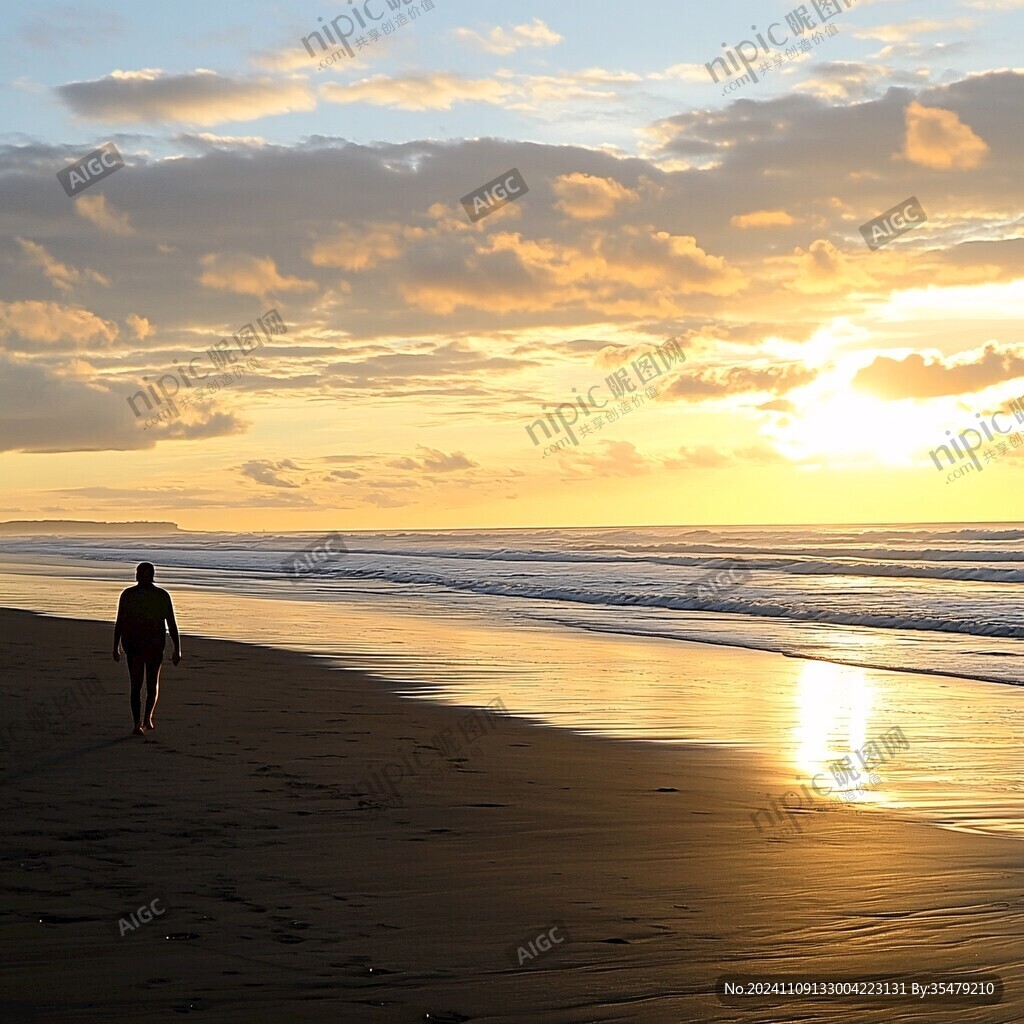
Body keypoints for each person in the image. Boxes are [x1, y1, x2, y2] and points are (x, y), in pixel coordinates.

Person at [112, 562, 181, 735]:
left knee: (138, 685)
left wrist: (116, 646)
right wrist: (177, 649)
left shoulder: (129, 595)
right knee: (150, 684)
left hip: (139, 645)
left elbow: (120, 623)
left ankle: (141, 721)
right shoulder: (160, 595)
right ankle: (144, 720)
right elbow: (171, 625)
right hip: (150, 646)